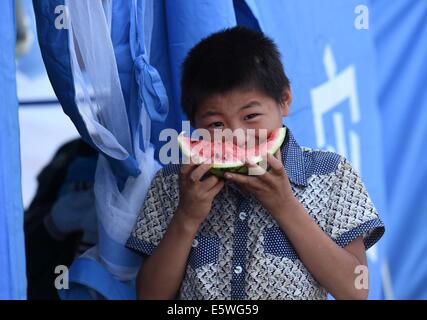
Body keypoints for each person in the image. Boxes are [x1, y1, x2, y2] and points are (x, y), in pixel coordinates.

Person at [126, 26, 385, 300]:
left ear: (284, 100)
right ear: (193, 123)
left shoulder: (333, 173)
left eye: (250, 116)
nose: (236, 136)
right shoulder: (171, 183)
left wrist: (284, 206)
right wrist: (186, 217)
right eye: (215, 123)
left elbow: (356, 291)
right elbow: (149, 296)